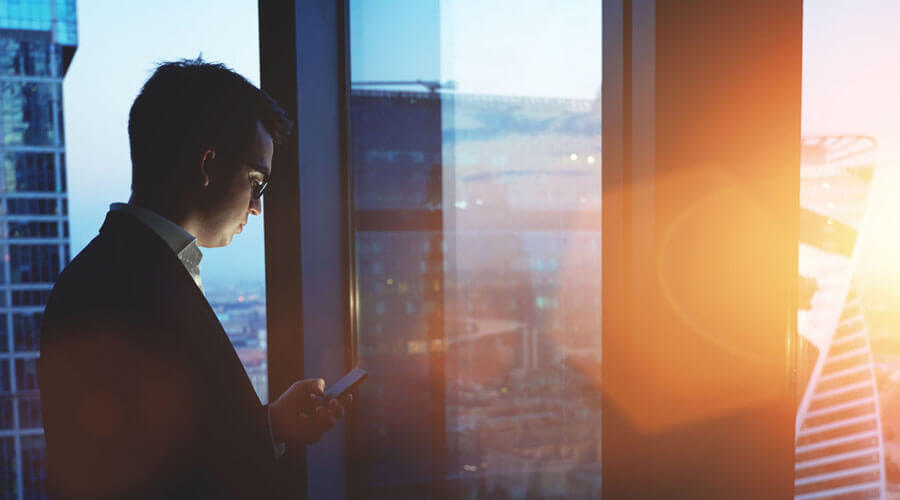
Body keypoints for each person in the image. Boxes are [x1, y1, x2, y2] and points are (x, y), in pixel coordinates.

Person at [38, 59, 349, 499]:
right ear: (208, 165)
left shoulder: (121, 274)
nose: (257, 206)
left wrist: (270, 424)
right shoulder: (123, 291)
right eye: (256, 181)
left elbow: (175, 446)